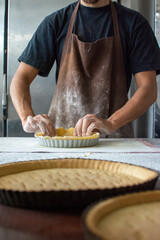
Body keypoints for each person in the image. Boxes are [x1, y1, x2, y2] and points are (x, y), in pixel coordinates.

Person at [10, 0, 160, 138]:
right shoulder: (55, 22)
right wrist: (26, 118)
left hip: (114, 140)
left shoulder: (134, 24)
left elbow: (148, 89)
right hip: (62, 140)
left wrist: (111, 123)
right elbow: (20, 79)